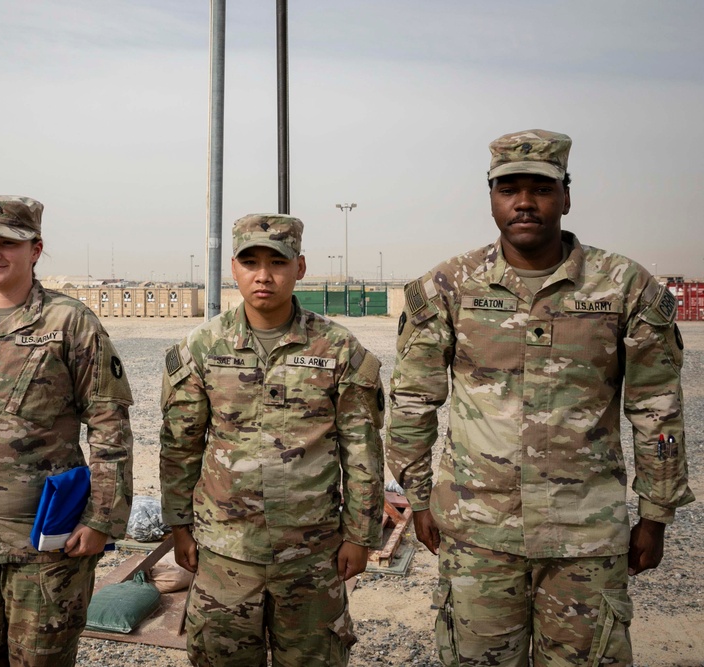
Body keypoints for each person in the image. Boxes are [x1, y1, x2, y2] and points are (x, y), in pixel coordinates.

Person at [387, 129, 696, 667]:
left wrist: (656, 512)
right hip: (478, 531)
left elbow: (657, 409)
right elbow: (414, 400)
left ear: (566, 197)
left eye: (542, 189)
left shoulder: (623, 286)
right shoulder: (448, 287)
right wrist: (417, 499)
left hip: (585, 536)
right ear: (491, 199)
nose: (525, 202)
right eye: (509, 189)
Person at [160, 214, 385, 666]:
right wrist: (179, 527)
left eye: (277, 262)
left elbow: (361, 449)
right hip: (226, 554)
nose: (264, 275)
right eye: (251, 262)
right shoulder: (203, 347)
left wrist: (361, 535)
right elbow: (180, 446)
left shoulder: (337, 349)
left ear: (299, 268)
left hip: (311, 555)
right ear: (234, 268)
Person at [0, 195, 134, 666]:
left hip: (43, 546)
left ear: (35, 249)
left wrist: (102, 518)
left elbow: (109, 426)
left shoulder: (70, 324)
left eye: (9, 243)